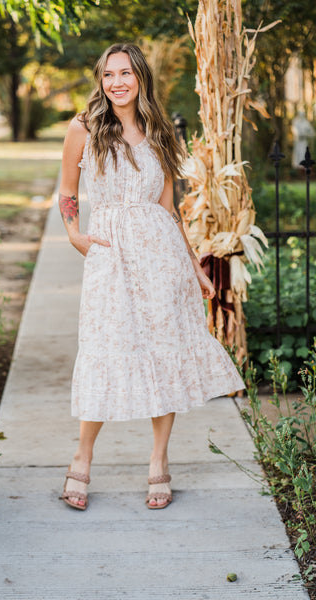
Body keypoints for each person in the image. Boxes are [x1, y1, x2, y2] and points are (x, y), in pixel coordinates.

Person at [58, 43, 244, 511]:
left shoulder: (160, 132)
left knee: (164, 355)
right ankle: (82, 457)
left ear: (141, 77)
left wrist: (193, 264)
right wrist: (74, 234)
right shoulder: (83, 128)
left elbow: (167, 208)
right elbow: (67, 190)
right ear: (100, 80)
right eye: (108, 74)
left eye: (126, 73)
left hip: (160, 256)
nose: (117, 82)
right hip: (109, 252)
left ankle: (158, 460)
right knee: (104, 346)